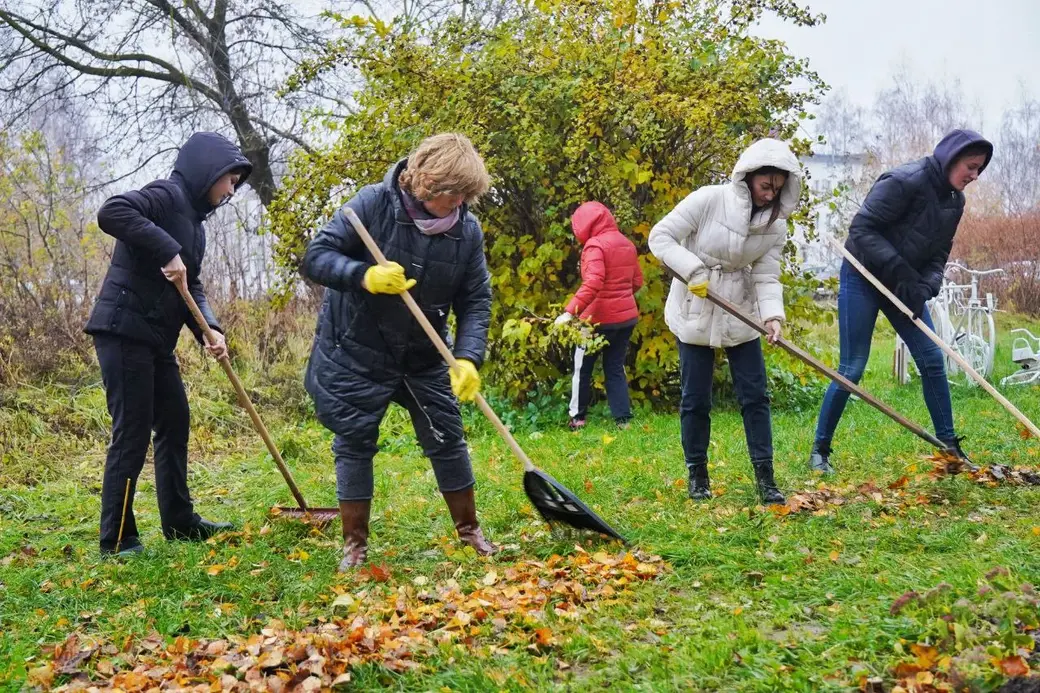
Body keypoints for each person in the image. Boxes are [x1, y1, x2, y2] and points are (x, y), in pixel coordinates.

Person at [302, 133, 497, 571]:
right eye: (454, 194)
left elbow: (476, 299)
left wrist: (467, 357)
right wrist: (364, 275)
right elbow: (316, 257)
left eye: (467, 195)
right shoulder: (372, 205)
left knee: (447, 437)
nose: (460, 203)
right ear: (427, 184)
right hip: (358, 349)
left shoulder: (466, 231)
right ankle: (354, 545)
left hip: (424, 354)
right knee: (354, 441)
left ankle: (470, 531)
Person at [85, 132, 251, 556]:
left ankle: (179, 522)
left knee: (175, 421)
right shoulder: (165, 195)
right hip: (123, 330)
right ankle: (118, 538)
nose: (231, 189)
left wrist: (209, 329)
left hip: (157, 340)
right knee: (132, 432)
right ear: (207, 170)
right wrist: (166, 248)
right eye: (229, 179)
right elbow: (112, 212)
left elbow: (189, 284)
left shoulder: (195, 225)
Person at [809, 129, 993, 474]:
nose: (974, 175)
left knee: (932, 360)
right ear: (951, 158)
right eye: (971, 166)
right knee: (852, 368)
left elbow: (940, 251)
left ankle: (949, 448)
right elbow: (862, 229)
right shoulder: (903, 181)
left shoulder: (955, 201)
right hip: (863, 277)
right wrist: (903, 271)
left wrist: (927, 285)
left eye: (979, 170)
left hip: (905, 287)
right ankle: (819, 451)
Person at [649, 138, 802, 505]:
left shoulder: (774, 226)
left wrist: (772, 317)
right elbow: (661, 237)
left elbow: (766, 276)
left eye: (778, 190)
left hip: (741, 310)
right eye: (766, 186)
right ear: (748, 177)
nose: (770, 195)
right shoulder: (708, 199)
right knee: (695, 398)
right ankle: (697, 474)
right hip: (696, 304)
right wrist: (692, 270)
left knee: (755, 396)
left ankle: (766, 478)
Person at [554, 202, 644, 430]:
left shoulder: (594, 246)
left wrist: (569, 312)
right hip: (625, 319)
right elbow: (637, 282)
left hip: (594, 321)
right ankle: (623, 420)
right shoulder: (626, 243)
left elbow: (593, 282)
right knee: (614, 367)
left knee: (581, 368)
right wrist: (620, 298)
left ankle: (577, 418)